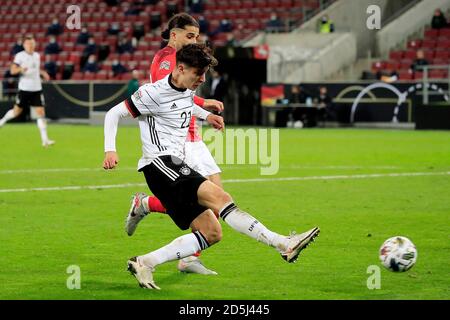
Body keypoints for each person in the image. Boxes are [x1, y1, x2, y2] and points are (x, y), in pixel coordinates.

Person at [103, 43, 320, 290]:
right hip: (160, 164)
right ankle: (282, 243)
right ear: (181, 68)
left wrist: (207, 116)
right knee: (221, 196)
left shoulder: (184, 86)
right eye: (199, 73)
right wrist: (110, 149)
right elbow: (113, 114)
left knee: (212, 232)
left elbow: (185, 104)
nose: (202, 79)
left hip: (175, 164)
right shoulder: (152, 93)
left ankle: (145, 262)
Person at [130, 12, 225, 276]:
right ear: (175, 35)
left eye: (197, 36)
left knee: (215, 200)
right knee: (213, 202)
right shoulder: (166, 61)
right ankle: (182, 255)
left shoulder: (181, 58)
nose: (195, 40)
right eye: (190, 35)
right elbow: (168, 93)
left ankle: (148, 206)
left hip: (193, 135)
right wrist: (203, 105)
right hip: (179, 140)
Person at [0, 35, 55, 147]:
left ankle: (45, 140)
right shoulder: (20, 56)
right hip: (25, 89)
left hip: (36, 88)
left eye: (32, 44)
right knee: (16, 112)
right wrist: (20, 69)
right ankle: (2, 121)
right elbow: (12, 70)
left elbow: (35, 69)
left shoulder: (37, 56)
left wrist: (43, 73)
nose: (31, 46)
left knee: (41, 113)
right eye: (29, 44)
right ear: (24, 45)